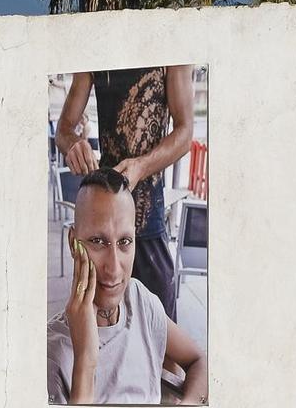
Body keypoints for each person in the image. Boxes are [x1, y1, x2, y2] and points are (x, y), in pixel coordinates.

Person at [48, 170, 209, 406]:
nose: (114, 269)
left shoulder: (139, 299)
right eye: (97, 242)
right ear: (74, 243)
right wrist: (85, 361)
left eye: (124, 242)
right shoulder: (50, 357)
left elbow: (199, 361)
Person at [55, 66, 194, 321]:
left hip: (148, 215)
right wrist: (73, 144)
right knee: (98, 323)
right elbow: (63, 129)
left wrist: (142, 165)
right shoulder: (94, 51)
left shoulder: (171, 50)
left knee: (160, 328)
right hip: (105, 210)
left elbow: (185, 134)